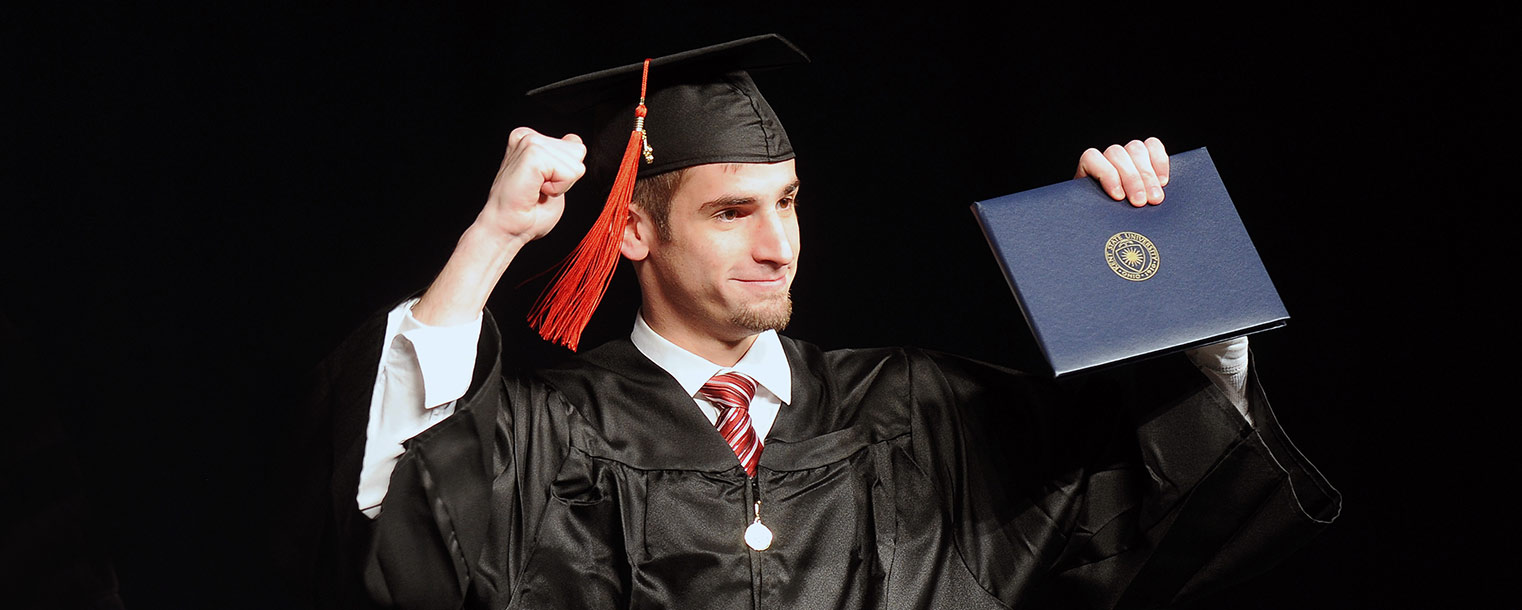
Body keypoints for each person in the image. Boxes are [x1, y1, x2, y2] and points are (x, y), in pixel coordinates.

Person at [303, 35, 1339, 609]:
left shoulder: (920, 414)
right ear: (630, 233)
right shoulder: (549, 436)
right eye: (731, 211)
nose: (777, 243)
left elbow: (1166, 517)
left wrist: (1156, 274)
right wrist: (490, 239)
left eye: (789, 201)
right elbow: (385, 522)